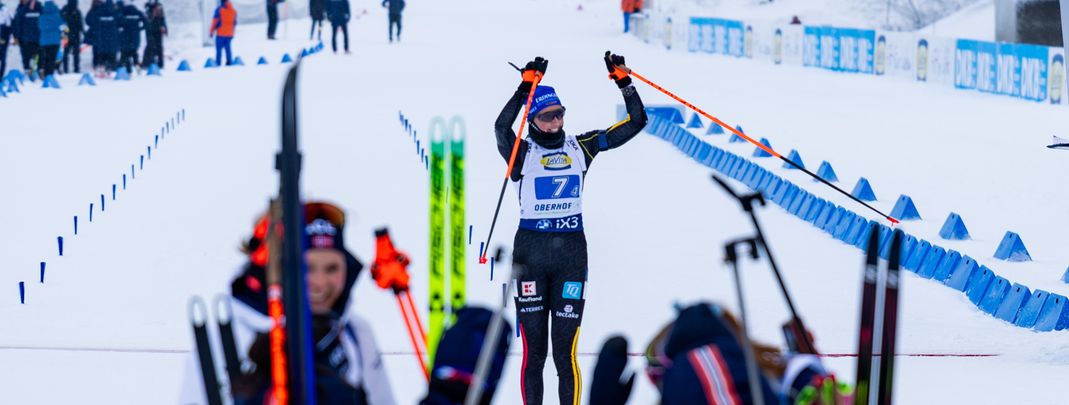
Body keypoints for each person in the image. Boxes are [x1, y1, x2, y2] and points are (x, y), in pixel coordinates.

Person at [494, 51, 647, 405]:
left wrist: (623, 81)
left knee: (565, 355)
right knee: (535, 355)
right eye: (547, 116)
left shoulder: (582, 147)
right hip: (530, 253)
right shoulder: (522, 152)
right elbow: (501, 128)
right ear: (533, 120)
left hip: (571, 256)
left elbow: (636, 122)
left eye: (559, 114)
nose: (555, 122)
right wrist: (524, 88)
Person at [177, 201, 398, 404]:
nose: (320, 282)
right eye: (307, 268)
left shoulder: (356, 334)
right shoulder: (228, 337)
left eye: (332, 268)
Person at [85, 0, 120, 75]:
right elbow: (121, 23)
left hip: (100, 38)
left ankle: (99, 67)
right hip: (112, 39)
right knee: (111, 55)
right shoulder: (115, 11)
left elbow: (89, 21)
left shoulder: (98, 10)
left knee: (99, 54)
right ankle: (110, 70)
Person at [12, 0, 43, 77]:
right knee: (37, 56)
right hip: (37, 38)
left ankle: (29, 71)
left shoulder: (21, 10)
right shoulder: (39, 7)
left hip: (26, 39)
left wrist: (16, 36)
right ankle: (37, 71)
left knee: (27, 57)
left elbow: (17, 24)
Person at [36, 0, 64, 78]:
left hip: (44, 41)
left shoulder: (41, 17)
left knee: (46, 58)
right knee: (52, 58)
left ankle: (44, 72)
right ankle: (49, 74)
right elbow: (64, 25)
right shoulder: (57, 16)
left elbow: (39, 27)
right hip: (55, 40)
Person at [118, 0, 145, 72]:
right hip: (135, 36)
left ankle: (125, 69)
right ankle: (137, 64)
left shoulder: (122, 12)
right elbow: (146, 22)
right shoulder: (138, 12)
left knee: (124, 53)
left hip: (125, 36)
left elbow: (118, 22)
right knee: (134, 51)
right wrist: (140, 28)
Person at [209, 0, 236, 66]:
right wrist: (232, 33)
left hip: (221, 33)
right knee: (228, 49)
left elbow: (215, 21)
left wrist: (211, 31)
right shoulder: (233, 11)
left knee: (219, 50)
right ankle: (229, 62)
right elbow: (234, 23)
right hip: (229, 34)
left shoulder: (219, 10)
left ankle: (218, 64)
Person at [59, 0, 82, 74]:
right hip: (75, 35)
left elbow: (61, 22)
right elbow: (80, 24)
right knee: (76, 54)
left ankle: (66, 69)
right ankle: (76, 69)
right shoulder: (77, 11)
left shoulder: (64, 10)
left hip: (66, 35)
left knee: (65, 53)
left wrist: (64, 31)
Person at [141, 0, 165, 68]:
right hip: (150, 29)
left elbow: (162, 18)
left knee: (159, 46)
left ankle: (160, 64)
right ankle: (146, 63)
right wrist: (153, 12)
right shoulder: (147, 6)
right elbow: (147, 18)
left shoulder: (159, 5)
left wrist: (163, 26)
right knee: (150, 46)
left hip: (158, 29)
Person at [0, 2, 14, 79]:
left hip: (3, 35)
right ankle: (1, 76)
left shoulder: (5, 10)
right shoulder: (6, 10)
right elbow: (10, 26)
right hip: (4, 36)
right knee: (3, 57)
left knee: (3, 57)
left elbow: (10, 25)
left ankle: (1, 76)